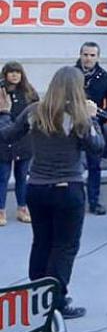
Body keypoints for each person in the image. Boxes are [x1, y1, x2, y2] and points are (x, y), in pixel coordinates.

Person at [0, 67, 104, 319]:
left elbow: (7, 135)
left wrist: (3, 113)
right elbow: (97, 147)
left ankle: (36, 297)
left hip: (36, 188)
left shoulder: (34, 111)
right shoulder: (79, 117)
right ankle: (55, 301)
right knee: (64, 246)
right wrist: (93, 118)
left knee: (41, 242)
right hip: (68, 189)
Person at [74, 42, 107, 216]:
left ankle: (94, 201)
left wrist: (101, 115)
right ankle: (75, 202)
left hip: (94, 124)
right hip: (72, 124)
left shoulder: (105, 77)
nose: (88, 58)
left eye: (92, 55)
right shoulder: (70, 75)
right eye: (85, 54)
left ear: (98, 57)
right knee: (72, 165)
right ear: (80, 55)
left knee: (94, 165)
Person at [0, 61, 38, 226]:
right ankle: (1, 211)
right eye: (11, 72)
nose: (15, 75)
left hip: (24, 140)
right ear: (5, 74)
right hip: (4, 140)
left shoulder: (29, 91)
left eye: (17, 72)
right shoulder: (1, 91)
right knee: (3, 177)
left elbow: (36, 110)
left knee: (22, 177)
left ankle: (22, 208)